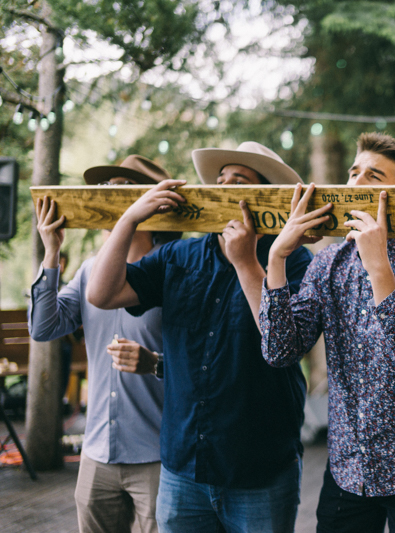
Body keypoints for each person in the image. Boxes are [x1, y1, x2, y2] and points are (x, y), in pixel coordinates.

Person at [86, 142, 312, 533]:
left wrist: (246, 262)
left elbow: (285, 347)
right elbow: (101, 294)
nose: (224, 188)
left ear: (264, 199)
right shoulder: (179, 256)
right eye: (221, 180)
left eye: (239, 182)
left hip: (259, 472)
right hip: (183, 471)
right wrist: (129, 220)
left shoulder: (294, 262)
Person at [259, 132, 395, 533]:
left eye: (374, 176)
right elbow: (279, 352)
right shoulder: (328, 263)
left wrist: (379, 267)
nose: (356, 183)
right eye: (354, 172)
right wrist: (277, 257)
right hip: (349, 471)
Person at [30, 155, 172, 533]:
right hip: (96, 457)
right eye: (107, 189)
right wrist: (51, 254)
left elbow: (201, 357)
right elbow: (43, 328)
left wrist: (155, 361)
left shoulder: (174, 268)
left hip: (157, 457)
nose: (110, 197)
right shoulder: (91, 269)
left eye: (123, 190)